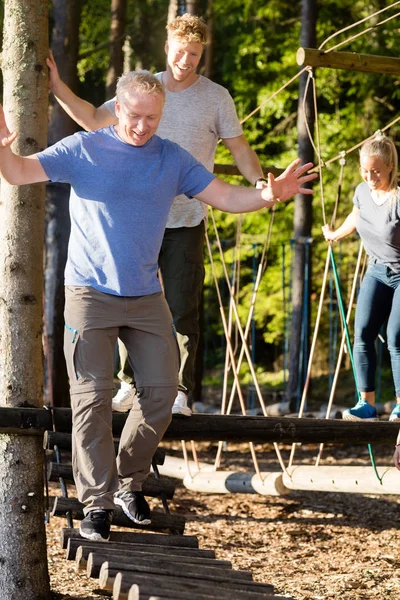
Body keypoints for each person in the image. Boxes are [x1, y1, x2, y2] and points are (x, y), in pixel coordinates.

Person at [0, 70, 316, 540]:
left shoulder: (171, 158)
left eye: (153, 117)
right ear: (116, 109)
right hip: (89, 293)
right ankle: (97, 504)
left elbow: (225, 196)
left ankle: (127, 481)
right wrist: (4, 147)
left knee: (164, 393)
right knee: (92, 402)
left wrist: (270, 193)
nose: (143, 126)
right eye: (135, 116)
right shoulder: (84, 149)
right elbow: (20, 172)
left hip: (147, 295)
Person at [46, 13, 269, 417]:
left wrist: (260, 185)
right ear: (167, 48)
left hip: (183, 218)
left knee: (182, 305)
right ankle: (131, 385)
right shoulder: (142, 91)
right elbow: (94, 119)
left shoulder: (216, 98)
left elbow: (239, 149)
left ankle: (179, 389)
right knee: (128, 301)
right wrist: (57, 86)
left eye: (195, 55)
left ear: (203, 55)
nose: (186, 60)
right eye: (181, 52)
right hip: (134, 221)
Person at [322, 132, 400, 423]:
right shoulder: (362, 191)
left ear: (390, 166)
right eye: (365, 171)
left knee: (396, 336)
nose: (370, 177)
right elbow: (357, 217)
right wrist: (335, 235)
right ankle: (366, 404)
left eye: (376, 172)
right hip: (378, 270)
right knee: (363, 333)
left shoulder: (398, 197)